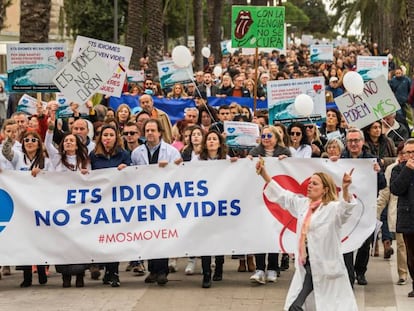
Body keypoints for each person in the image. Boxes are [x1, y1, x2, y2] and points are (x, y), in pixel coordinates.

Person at [255, 156, 357, 310]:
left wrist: (346, 188)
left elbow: (346, 210)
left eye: (314, 184)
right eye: (309, 182)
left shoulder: (332, 209)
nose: (309, 186)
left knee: (320, 305)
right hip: (306, 264)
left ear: (325, 190)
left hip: (326, 266)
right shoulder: (303, 205)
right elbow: (284, 196)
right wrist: (264, 174)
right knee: (298, 304)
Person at [131, 119, 182, 286]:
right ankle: (152, 269)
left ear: (160, 132)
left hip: (165, 199)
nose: (150, 133)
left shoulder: (171, 151)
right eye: (147, 131)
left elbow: (179, 170)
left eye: (153, 130)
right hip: (145, 199)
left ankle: (162, 271)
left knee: (162, 234)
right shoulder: (137, 152)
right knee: (149, 235)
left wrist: (169, 167)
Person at [2, 130, 53, 287]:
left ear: (39, 143)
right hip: (22, 205)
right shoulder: (18, 158)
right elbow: (5, 151)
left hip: (40, 205)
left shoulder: (46, 161)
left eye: (33, 140)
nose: (29, 142)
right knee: (25, 240)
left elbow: (54, 181)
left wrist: (42, 173)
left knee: (39, 240)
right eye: (26, 140)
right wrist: (11, 138)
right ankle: (27, 276)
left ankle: (42, 270)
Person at [341, 128, 385, 286]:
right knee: (345, 241)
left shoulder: (372, 160)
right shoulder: (340, 159)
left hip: (365, 208)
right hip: (346, 208)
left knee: (365, 242)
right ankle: (348, 274)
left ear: (362, 142)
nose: (353, 144)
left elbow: (382, 185)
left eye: (356, 140)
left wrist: (378, 172)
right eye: (350, 141)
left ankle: (360, 271)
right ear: (346, 143)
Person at [89, 124, 131, 287]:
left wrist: (126, 168)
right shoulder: (93, 156)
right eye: (105, 135)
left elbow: (133, 174)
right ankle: (107, 270)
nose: (107, 138)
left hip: (118, 202)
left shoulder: (123, 154)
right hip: (100, 203)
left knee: (114, 238)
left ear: (116, 138)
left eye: (111, 135)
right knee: (104, 238)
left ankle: (114, 273)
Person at [248, 125, 291, 284]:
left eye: (269, 136)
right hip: (259, 198)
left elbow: (291, 170)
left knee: (273, 232)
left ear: (276, 138)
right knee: (260, 232)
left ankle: (273, 268)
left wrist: (287, 162)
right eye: (263, 136)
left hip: (276, 199)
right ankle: (260, 269)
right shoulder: (254, 152)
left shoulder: (285, 153)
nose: (266, 139)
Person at [377, 142, 408, 285]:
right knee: (401, 244)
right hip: (399, 212)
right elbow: (385, 193)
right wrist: (376, 212)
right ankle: (403, 273)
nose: (404, 156)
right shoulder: (392, 169)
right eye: (401, 153)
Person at [390, 138, 414, 298]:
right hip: (409, 217)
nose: (411, 155)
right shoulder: (398, 169)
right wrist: (408, 170)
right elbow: (396, 189)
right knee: (412, 256)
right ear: (403, 154)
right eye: (408, 152)